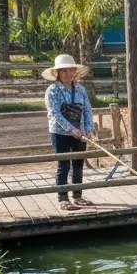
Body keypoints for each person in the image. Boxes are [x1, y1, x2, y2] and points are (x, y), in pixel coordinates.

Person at [43, 53, 95, 211]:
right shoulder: (52, 91)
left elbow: (87, 110)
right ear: (57, 73)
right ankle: (63, 198)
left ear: (75, 72)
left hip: (80, 132)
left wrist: (88, 128)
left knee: (78, 164)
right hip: (60, 133)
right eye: (64, 71)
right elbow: (55, 114)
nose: (68, 74)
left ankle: (78, 196)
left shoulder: (80, 89)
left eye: (71, 70)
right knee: (63, 165)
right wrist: (71, 129)